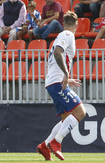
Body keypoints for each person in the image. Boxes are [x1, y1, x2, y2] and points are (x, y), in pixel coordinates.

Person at [37, 11, 86, 161]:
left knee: (67, 119)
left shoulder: (61, 36)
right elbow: (58, 53)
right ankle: (56, 142)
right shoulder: (67, 35)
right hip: (57, 82)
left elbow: (54, 58)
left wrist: (66, 78)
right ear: (76, 24)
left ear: (64, 23)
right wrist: (65, 74)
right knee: (80, 112)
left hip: (54, 82)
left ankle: (44, 146)